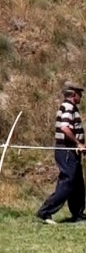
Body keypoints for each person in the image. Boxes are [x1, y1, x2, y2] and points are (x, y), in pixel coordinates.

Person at [36, 81, 86, 225]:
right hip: (66, 151)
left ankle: (78, 214)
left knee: (77, 183)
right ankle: (45, 212)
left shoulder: (71, 107)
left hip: (71, 151)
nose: (81, 96)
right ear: (73, 94)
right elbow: (65, 128)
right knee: (67, 182)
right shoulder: (68, 107)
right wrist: (78, 143)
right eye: (79, 93)